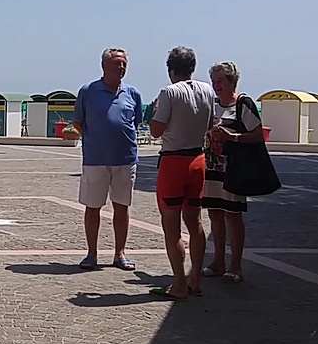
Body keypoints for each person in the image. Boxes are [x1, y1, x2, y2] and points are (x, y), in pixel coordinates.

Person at [147, 46, 216, 300]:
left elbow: (155, 131)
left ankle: (178, 283)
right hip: (197, 160)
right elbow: (210, 124)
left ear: (171, 70)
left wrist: (154, 111)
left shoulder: (169, 92)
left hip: (174, 161)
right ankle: (195, 279)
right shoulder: (207, 90)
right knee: (195, 222)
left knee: (171, 225)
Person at [67, 47, 142, 271]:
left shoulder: (133, 93)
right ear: (104, 66)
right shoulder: (88, 91)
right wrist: (91, 138)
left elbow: (135, 122)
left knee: (122, 207)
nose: (121, 67)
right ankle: (91, 254)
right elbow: (78, 121)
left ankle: (120, 253)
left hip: (125, 159)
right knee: (93, 207)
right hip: (95, 160)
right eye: (117, 63)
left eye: (124, 63)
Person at [202, 61, 264, 283]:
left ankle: (236, 266)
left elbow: (258, 134)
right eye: (213, 81)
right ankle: (217, 261)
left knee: (232, 215)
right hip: (212, 168)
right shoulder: (212, 105)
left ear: (232, 81)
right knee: (214, 214)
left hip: (233, 169)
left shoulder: (243, 104)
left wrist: (233, 137)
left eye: (220, 81)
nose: (216, 85)